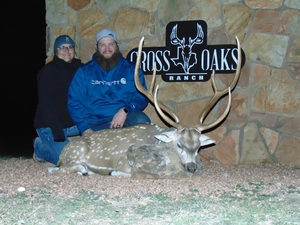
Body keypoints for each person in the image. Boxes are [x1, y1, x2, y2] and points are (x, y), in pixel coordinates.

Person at [68, 28, 150, 136]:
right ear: (96, 47)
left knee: (142, 119)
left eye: (111, 44)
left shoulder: (131, 69)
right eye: (102, 45)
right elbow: (74, 101)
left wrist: (125, 110)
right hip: (94, 122)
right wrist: (84, 129)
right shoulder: (84, 72)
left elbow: (141, 96)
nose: (107, 48)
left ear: (117, 45)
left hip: (123, 119)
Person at [33, 35, 83, 164]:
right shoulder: (48, 72)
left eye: (70, 47)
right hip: (50, 125)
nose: (66, 51)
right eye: (62, 48)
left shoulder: (80, 69)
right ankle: (40, 148)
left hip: (72, 125)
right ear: (56, 51)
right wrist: (57, 132)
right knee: (67, 161)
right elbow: (46, 104)